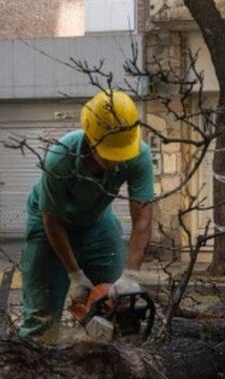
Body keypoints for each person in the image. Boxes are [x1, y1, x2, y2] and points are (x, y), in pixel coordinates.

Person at [20, 89, 155, 341]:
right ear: (92, 140)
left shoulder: (138, 154)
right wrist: (74, 274)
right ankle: (34, 360)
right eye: (109, 154)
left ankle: (105, 363)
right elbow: (52, 220)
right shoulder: (61, 157)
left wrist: (131, 275)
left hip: (98, 220)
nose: (116, 161)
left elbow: (143, 217)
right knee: (41, 317)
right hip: (49, 224)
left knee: (116, 308)